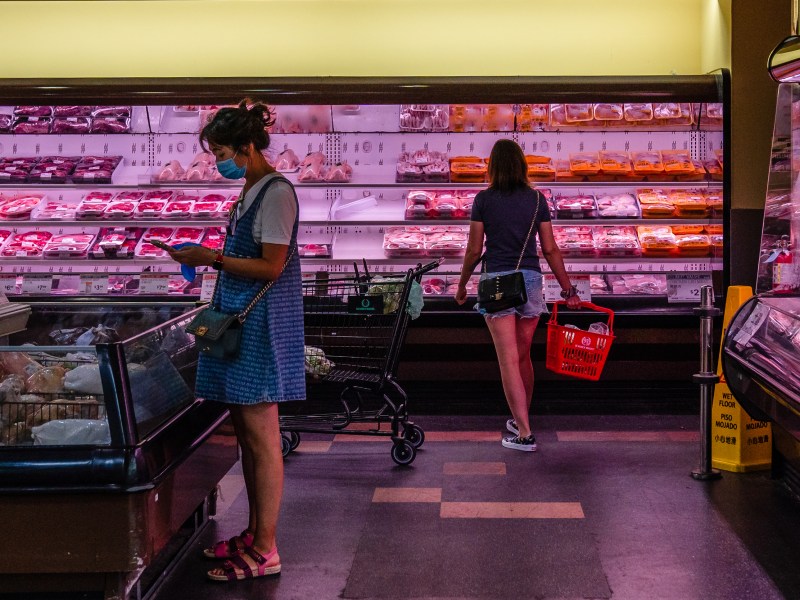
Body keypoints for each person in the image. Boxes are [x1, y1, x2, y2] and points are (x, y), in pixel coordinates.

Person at [164, 99, 305, 581]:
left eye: (222, 151)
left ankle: (266, 549)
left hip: (262, 327)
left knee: (263, 438)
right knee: (246, 433)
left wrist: (212, 258)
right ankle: (254, 532)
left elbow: (272, 266)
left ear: (247, 147)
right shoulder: (251, 191)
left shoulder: (277, 193)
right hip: (241, 325)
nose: (217, 161)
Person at [455, 139, 581, 452]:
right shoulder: (537, 199)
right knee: (523, 356)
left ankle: (524, 433)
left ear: (492, 167)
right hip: (531, 281)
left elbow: (473, 250)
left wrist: (462, 284)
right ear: (523, 165)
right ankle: (522, 418)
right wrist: (568, 289)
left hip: (498, 282)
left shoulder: (483, 199)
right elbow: (550, 249)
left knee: (509, 360)